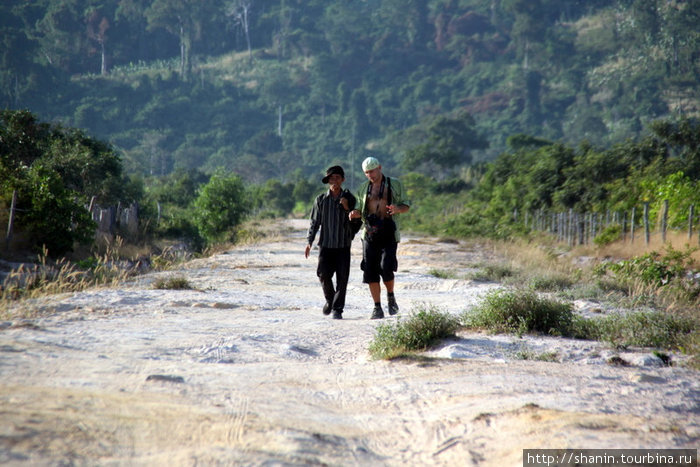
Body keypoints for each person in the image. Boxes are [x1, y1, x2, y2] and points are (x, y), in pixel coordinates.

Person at [349, 157, 411, 319]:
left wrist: (397, 209)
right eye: (366, 172)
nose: (370, 175)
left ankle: (390, 296)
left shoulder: (394, 184)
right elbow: (358, 209)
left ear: (380, 168)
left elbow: (406, 205)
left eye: (372, 171)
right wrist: (354, 213)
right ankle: (377, 307)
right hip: (369, 234)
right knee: (370, 271)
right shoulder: (363, 188)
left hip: (389, 232)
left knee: (386, 267)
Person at [305, 165, 358, 320]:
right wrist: (309, 242)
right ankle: (330, 300)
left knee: (342, 279)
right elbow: (314, 222)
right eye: (331, 178)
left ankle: (338, 310)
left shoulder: (350, 199)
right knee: (322, 274)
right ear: (328, 181)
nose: (334, 181)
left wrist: (347, 208)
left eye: (337, 178)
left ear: (343, 180)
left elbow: (356, 224)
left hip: (343, 245)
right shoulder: (321, 200)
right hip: (326, 245)